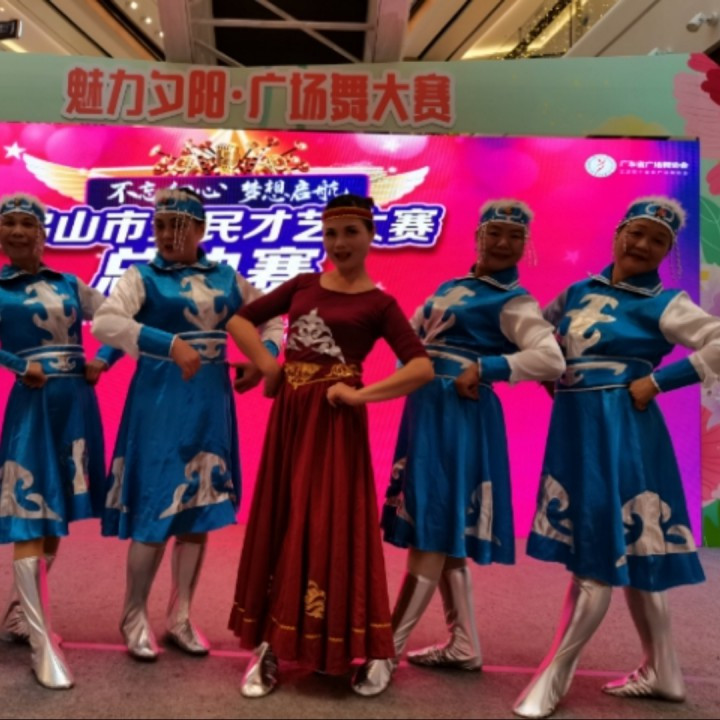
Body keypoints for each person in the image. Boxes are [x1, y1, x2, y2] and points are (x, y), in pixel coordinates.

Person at [223, 194, 434, 698]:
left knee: (325, 525)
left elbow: (421, 367)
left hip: (336, 425)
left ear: (370, 236)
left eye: (350, 233)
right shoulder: (302, 284)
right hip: (291, 418)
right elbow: (238, 321)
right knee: (283, 517)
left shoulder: (380, 304)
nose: (339, 244)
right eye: (331, 234)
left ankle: (329, 644)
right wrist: (271, 367)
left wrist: (360, 394)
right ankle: (270, 645)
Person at [513, 196, 713, 718]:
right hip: (576, 429)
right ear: (619, 233)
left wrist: (659, 381)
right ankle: (664, 672)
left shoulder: (667, 303)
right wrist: (549, 381)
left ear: (668, 252)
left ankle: (552, 678)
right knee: (635, 546)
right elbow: (539, 342)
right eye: (637, 233)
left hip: (625, 432)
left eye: (658, 241)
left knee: (599, 552)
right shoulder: (577, 292)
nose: (643, 245)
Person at [357, 200, 565, 695]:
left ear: (526, 245)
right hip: (426, 409)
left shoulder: (514, 301)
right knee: (441, 522)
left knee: (432, 526)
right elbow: (409, 332)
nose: (503, 243)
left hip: (459, 416)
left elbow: (551, 359)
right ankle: (464, 644)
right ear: (477, 236)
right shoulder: (451, 287)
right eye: (495, 233)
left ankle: (387, 652)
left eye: (515, 236)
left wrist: (488, 368)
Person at [92, 188, 282, 661]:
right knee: (155, 508)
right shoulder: (142, 276)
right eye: (159, 225)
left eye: (177, 226)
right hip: (159, 402)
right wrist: (167, 344)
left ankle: (180, 616)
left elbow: (274, 321)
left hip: (210, 405)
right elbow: (108, 323)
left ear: (200, 229)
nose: (166, 235)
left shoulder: (227, 278)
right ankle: (133, 614)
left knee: (199, 507)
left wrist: (263, 358)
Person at [0, 193, 119, 689]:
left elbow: (119, 321)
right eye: (9, 224)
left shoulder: (70, 283)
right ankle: (40, 641)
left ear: (42, 232)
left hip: (74, 405)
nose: (17, 231)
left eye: (26, 223)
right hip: (32, 404)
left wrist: (103, 358)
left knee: (57, 511)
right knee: (30, 507)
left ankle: (19, 614)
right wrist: (15, 364)